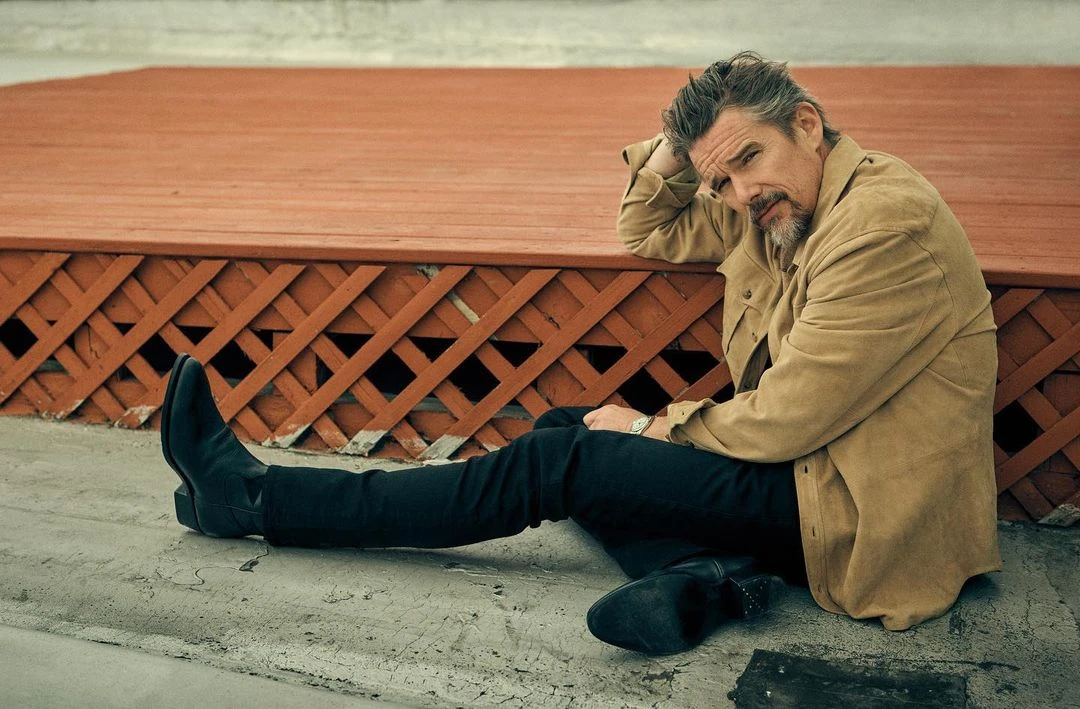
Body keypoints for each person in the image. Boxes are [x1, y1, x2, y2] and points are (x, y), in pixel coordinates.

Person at [159, 52, 1001, 656]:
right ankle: (709, 576)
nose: (741, 193)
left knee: (561, 458)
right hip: (809, 472)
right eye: (722, 181)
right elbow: (647, 227)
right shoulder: (777, 207)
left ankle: (257, 497)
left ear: (807, 125)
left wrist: (645, 426)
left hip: (853, 508)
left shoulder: (881, 225)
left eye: (750, 157)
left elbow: (790, 419)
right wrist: (685, 141)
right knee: (570, 425)